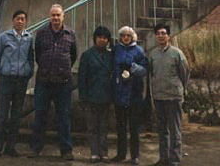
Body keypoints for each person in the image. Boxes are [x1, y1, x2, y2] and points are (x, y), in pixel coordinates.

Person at [28, 4, 77, 160]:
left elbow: (73, 55)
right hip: (44, 81)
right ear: (50, 17)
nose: (55, 18)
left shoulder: (71, 34)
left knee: (63, 116)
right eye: (53, 15)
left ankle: (66, 150)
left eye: (58, 15)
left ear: (63, 16)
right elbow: (38, 55)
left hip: (63, 82)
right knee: (40, 115)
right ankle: (36, 148)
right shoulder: (41, 33)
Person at [0, 9, 34, 157]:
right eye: (18, 18)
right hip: (6, 79)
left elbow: (30, 57)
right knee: (2, 114)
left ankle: (11, 147)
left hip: (21, 80)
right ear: (13, 20)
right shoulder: (4, 37)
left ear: (26, 21)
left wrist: (28, 72)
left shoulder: (29, 38)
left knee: (16, 115)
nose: (20, 21)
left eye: (23, 19)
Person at [149, 24, 190, 166]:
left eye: (163, 33)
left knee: (175, 130)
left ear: (168, 36)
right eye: (158, 33)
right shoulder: (153, 54)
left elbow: (185, 73)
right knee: (162, 131)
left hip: (173, 97)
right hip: (159, 97)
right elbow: (152, 74)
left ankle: (174, 159)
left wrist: (180, 90)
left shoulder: (177, 53)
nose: (161, 36)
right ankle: (163, 158)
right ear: (155, 36)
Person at [113, 25, 147, 166]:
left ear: (132, 37)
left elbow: (145, 69)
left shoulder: (138, 50)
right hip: (120, 93)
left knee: (134, 128)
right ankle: (121, 154)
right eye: (123, 36)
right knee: (120, 127)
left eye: (128, 35)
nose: (125, 38)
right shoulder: (116, 50)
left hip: (134, 93)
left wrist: (132, 67)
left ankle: (135, 156)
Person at [78, 25, 113, 163]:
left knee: (104, 127)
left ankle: (104, 153)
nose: (102, 40)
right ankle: (94, 152)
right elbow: (82, 78)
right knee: (92, 127)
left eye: (105, 38)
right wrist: (83, 97)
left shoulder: (111, 55)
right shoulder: (87, 55)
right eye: (100, 37)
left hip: (106, 96)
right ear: (95, 39)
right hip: (91, 96)